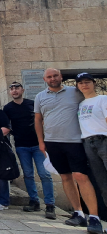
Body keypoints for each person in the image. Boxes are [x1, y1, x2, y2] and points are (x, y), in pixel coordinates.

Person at [35, 68, 102, 234]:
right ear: (45, 79)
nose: (52, 78)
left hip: (74, 141)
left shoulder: (75, 92)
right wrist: (41, 142)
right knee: (65, 177)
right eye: (49, 76)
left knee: (81, 176)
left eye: (55, 75)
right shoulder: (40, 97)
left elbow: (91, 105)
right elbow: (38, 120)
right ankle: (78, 212)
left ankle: (94, 217)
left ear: (61, 76)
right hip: (52, 142)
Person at [3, 81, 55, 219]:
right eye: (12, 88)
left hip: (38, 144)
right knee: (28, 174)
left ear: (22, 90)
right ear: (10, 92)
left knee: (44, 174)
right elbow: (6, 126)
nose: (14, 91)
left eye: (17, 88)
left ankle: (50, 204)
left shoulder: (32, 103)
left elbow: (43, 120)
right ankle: (34, 201)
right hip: (21, 145)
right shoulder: (7, 108)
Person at [76, 73, 107, 220]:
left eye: (87, 82)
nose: (84, 85)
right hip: (87, 143)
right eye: (81, 83)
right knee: (102, 184)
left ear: (94, 83)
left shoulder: (103, 99)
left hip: (103, 140)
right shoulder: (80, 105)